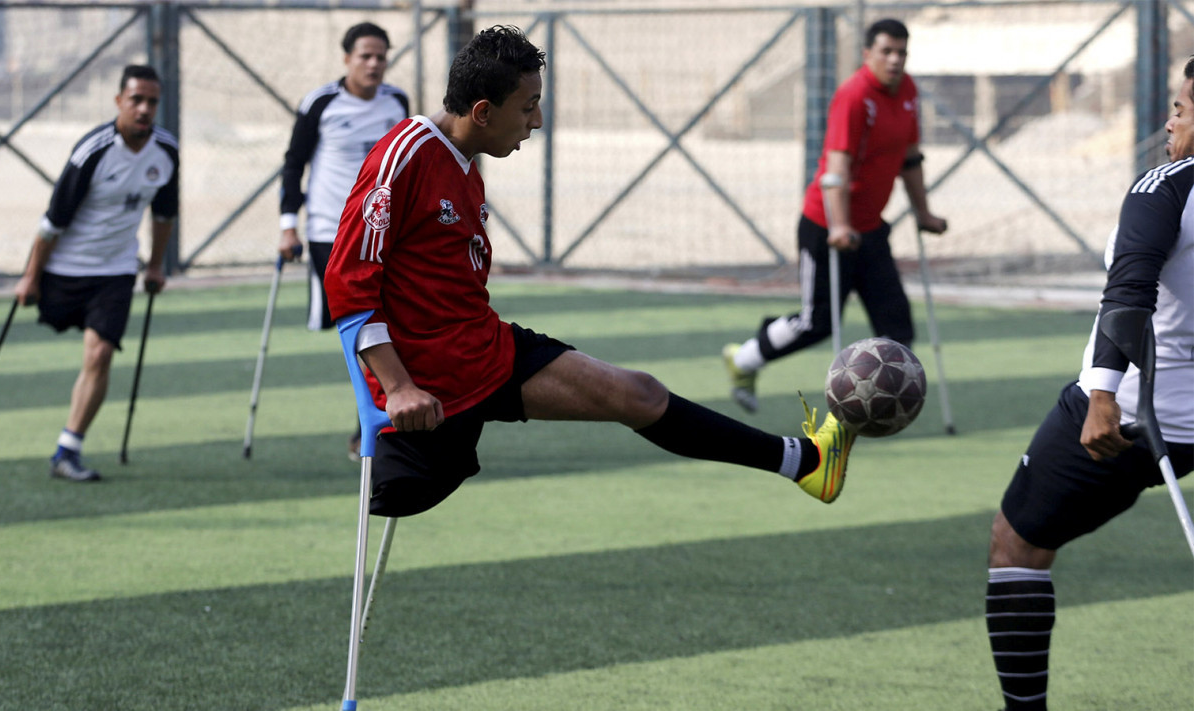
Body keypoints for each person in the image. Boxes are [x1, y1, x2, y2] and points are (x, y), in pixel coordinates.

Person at [323, 25, 857, 519]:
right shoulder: (405, 157)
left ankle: (809, 464)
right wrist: (396, 387)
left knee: (641, 395)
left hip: (487, 351)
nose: (536, 121)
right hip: (435, 384)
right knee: (405, 494)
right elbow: (347, 283)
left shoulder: (464, 159)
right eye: (528, 107)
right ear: (482, 111)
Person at [984, 57, 1194, 711]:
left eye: (1181, 109)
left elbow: (1126, 291)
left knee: (1016, 542)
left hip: (1136, 417)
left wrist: (1100, 396)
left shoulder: (1165, 187)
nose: (1168, 120)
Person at [721, 18, 947, 413]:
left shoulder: (908, 90)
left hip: (872, 231)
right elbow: (834, 171)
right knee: (817, 323)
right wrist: (839, 225)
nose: (895, 61)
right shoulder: (854, 95)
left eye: (902, 53)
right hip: (827, 227)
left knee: (897, 324)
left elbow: (909, 157)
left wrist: (924, 212)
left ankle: (888, 407)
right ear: (867, 54)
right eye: (886, 52)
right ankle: (743, 360)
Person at [14, 64, 179, 482]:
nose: (144, 109)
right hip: (64, 268)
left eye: (152, 101)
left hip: (115, 270)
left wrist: (156, 265)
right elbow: (52, 222)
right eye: (136, 99)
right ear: (119, 101)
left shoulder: (167, 151)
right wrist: (32, 276)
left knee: (100, 354)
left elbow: (164, 214)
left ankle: (67, 450)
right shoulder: (93, 150)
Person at [279, 21, 408, 331]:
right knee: (336, 320)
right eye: (366, 56)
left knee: (384, 318)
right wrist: (288, 226)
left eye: (381, 57)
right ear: (347, 59)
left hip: (381, 230)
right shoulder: (320, 103)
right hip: (331, 229)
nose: (374, 64)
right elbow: (294, 163)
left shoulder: (397, 102)